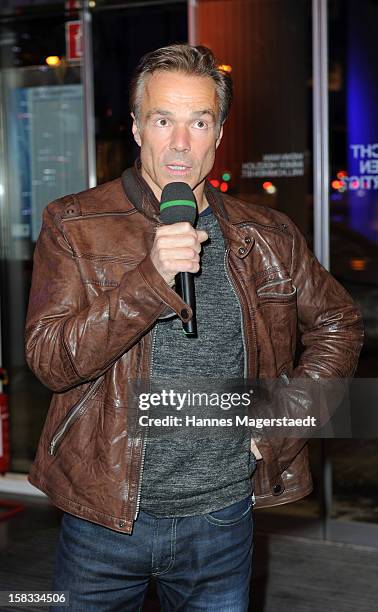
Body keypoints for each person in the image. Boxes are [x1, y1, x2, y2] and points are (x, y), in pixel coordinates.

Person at [25, 44, 363, 611]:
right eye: (163, 120)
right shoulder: (74, 224)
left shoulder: (268, 233)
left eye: (198, 122)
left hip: (222, 520)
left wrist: (283, 422)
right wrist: (148, 280)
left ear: (218, 133)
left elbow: (339, 324)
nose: (180, 143)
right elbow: (51, 361)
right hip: (105, 520)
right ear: (136, 128)